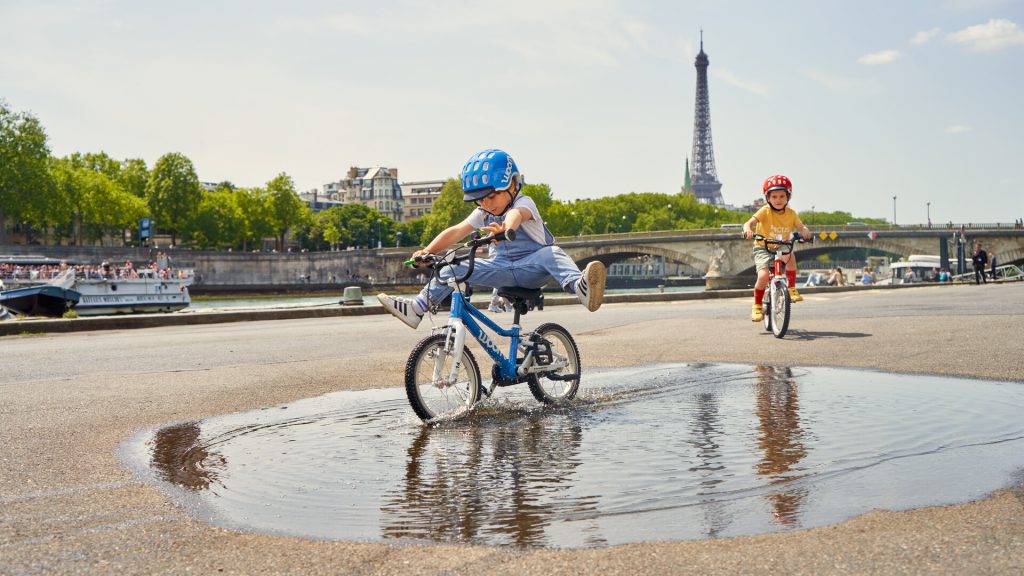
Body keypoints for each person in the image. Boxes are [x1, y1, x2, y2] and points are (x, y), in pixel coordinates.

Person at [377, 148, 606, 329]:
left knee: (552, 252)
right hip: (501, 270)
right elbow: (457, 231)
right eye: (480, 199)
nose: (486, 203)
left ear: (513, 185)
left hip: (532, 268)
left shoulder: (523, 203)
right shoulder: (483, 213)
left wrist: (504, 229)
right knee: (450, 266)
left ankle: (580, 287)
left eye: (492, 196)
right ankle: (416, 309)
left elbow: (516, 216)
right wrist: (427, 251)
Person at [741, 174, 811, 322]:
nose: (778, 200)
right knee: (763, 276)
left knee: (791, 258)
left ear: (788, 197)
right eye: (774, 197)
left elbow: (800, 226)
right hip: (763, 246)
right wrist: (747, 229)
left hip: (782, 246)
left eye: (782, 196)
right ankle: (757, 306)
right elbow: (749, 223)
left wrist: (805, 231)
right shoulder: (765, 211)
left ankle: (791, 288)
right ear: (768, 198)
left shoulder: (791, 213)